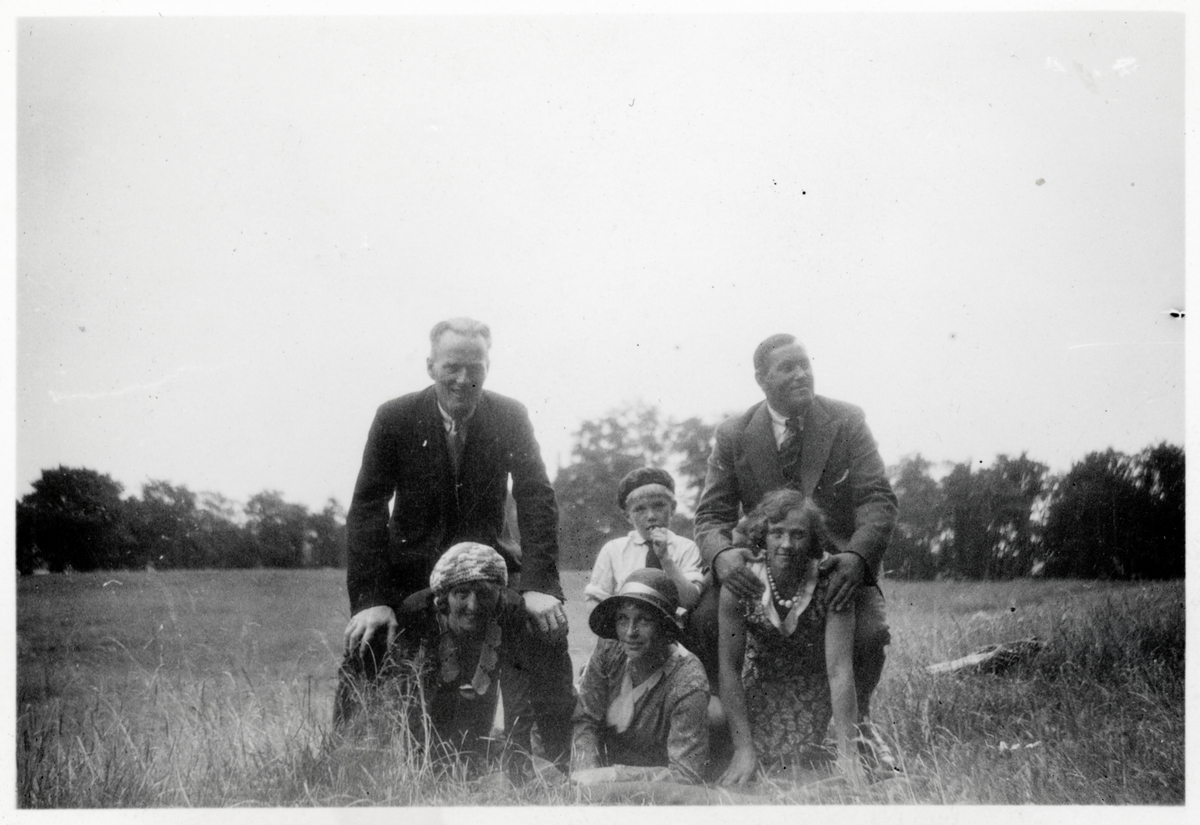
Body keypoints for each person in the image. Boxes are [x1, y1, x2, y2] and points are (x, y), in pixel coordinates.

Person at [337, 317, 575, 766]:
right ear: (431, 366)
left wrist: (540, 584)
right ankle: (349, 761)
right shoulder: (395, 417)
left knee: (547, 627)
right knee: (368, 638)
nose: (464, 379)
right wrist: (372, 599)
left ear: (488, 367)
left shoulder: (510, 415)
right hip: (414, 571)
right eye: (452, 367)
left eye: (475, 368)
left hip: (492, 569)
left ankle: (552, 765)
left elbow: (536, 497)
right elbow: (368, 506)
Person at [692, 333, 900, 773]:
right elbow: (710, 514)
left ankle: (858, 728)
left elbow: (877, 498)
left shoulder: (846, 420)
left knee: (869, 633)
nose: (802, 373)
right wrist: (722, 555)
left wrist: (858, 558)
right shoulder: (734, 433)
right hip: (761, 562)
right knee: (706, 618)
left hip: (836, 565)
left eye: (805, 363)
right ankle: (724, 728)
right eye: (787, 367)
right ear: (761, 379)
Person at [333, 542, 539, 777]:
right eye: (462, 594)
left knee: (474, 754)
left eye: (484, 594)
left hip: (475, 693)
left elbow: (518, 695)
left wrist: (518, 766)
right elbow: (411, 701)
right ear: (443, 597)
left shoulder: (511, 610)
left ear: (499, 595)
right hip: (429, 692)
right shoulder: (416, 613)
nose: (473, 606)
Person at [718, 491, 863, 785]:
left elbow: (839, 670)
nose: (786, 544)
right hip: (761, 684)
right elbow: (730, 668)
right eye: (777, 533)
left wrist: (848, 754)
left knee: (800, 764)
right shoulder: (741, 582)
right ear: (763, 535)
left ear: (812, 539)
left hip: (812, 688)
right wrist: (743, 749)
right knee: (750, 764)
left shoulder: (830, 580)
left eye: (798, 535)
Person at [571, 568, 710, 785]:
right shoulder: (610, 647)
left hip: (647, 785)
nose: (630, 632)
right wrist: (585, 772)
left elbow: (685, 774)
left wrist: (614, 776)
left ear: (665, 627)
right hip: (599, 768)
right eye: (622, 619)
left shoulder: (688, 679)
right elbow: (586, 718)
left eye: (644, 620)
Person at [584, 467, 703, 615]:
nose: (651, 516)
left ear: (672, 508)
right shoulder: (613, 550)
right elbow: (595, 600)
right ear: (627, 516)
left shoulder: (686, 547)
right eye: (640, 509)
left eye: (659, 506)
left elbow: (690, 600)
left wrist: (665, 559)